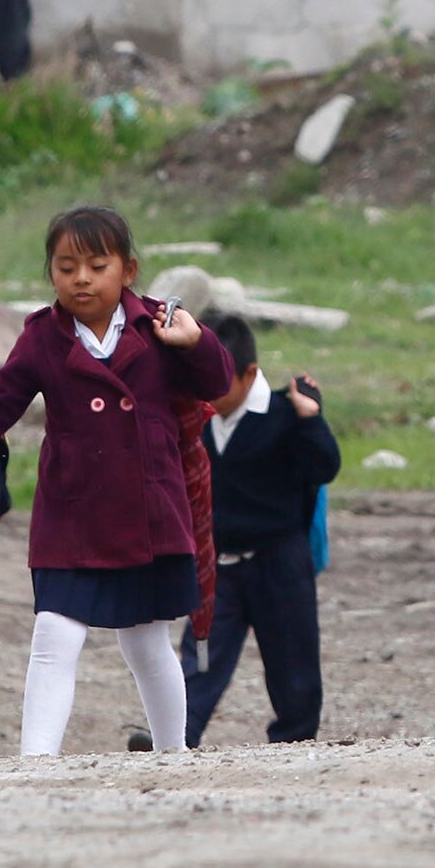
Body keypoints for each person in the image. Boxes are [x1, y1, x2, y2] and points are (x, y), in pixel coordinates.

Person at [0, 204, 231, 756]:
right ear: (52, 274)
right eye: (67, 267)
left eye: (97, 265)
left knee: (146, 641)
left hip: (151, 511)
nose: (82, 278)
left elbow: (215, 381)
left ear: (128, 270)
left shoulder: (161, 324)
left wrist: (197, 340)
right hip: (73, 517)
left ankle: (174, 754)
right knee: (54, 635)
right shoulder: (43, 337)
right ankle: (35, 764)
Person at [178, 312, 341, 745]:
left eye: (218, 380)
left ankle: (294, 743)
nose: (207, 390)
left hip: (279, 563)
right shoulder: (194, 417)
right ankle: (174, 737)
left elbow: (325, 466)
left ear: (250, 373)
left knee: (294, 665)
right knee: (200, 660)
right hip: (218, 567)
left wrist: (311, 418)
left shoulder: (284, 415)